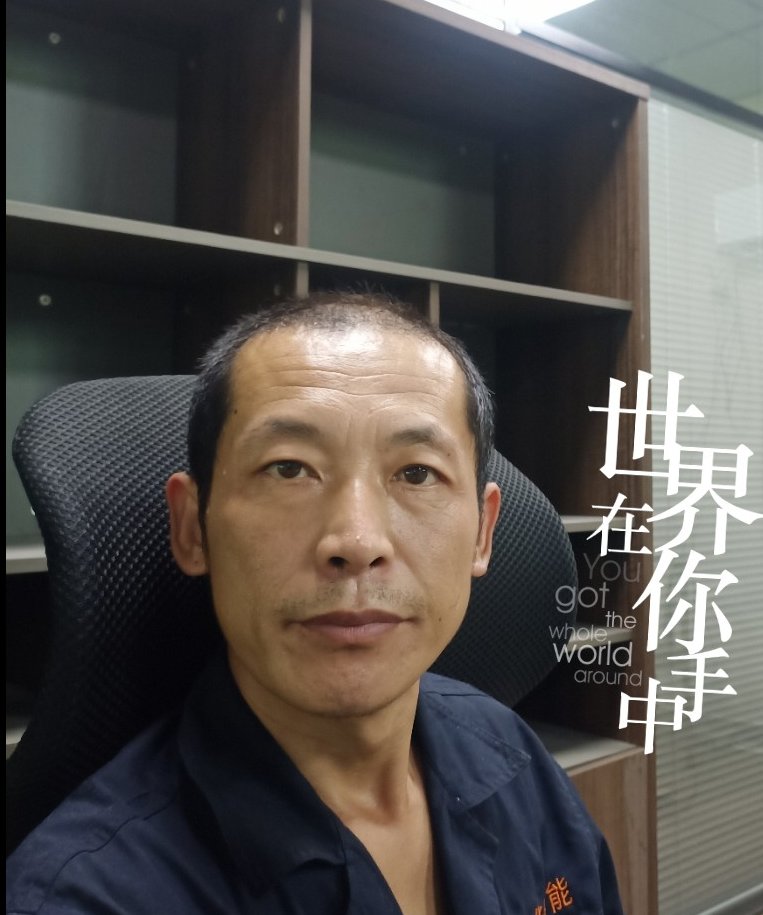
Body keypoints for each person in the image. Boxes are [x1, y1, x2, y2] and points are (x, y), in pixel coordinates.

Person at [6, 291, 624, 914]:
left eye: (416, 473)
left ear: (483, 534)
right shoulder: (87, 897)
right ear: (192, 527)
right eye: (289, 469)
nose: (357, 542)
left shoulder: (511, 753)